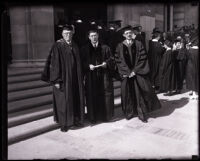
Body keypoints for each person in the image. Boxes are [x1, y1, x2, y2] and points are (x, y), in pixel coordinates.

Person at [41, 24, 85, 132]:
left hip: (75, 79)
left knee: (75, 99)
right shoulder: (58, 45)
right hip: (63, 79)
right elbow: (54, 64)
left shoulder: (74, 45)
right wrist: (56, 80)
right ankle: (64, 124)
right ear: (62, 34)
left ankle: (75, 119)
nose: (68, 35)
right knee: (63, 102)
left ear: (72, 34)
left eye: (70, 33)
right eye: (66, 33)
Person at [115, 26, 161, 123]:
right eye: (126, 33)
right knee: (127, 94)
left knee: (139, 93)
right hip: (126, 75)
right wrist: (128, 72)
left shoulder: (139, 44)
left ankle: (141, 114)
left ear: (132, 34)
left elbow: (143, 59)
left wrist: (135, 71)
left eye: (130, 33)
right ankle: (129, 113)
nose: (128, 34)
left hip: (138, 73)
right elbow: (118, 60)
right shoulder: (119, 46)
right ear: (124, 35)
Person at [80, 29, 115, 124]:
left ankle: (106, 116)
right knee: (92, 95)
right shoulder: (84, 49)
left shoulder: (105, 47)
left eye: (95, 35)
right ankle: (93, 117)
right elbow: (81, 63)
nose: (94, 37)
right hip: (91, 76)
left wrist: (106, 63)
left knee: (105, 95)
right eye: (91, 36)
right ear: (89, 37)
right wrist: (88, 66)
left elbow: (111, 59)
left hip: (104, 75)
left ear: (98, 36)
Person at [148, 28, 165, 93]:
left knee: (152, 73)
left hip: (151, 60)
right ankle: (157, 87)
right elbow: (160, 51)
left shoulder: (150, 42)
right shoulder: (158, 44)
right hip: (157, 60)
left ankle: (152, 86)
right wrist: (162, 47)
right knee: (157, 73)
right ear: (158, 36)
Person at [185, 33, 199, 99]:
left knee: (192, 79)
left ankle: (194, 93)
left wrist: (187, 48)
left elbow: (186, 57)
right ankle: (196, 93)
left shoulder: (190, 50)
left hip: (191, 66)